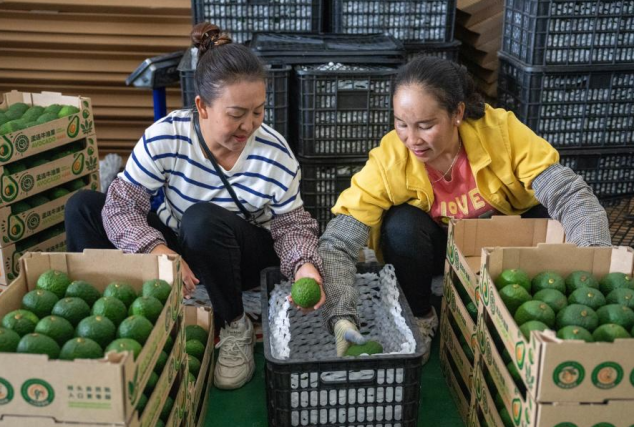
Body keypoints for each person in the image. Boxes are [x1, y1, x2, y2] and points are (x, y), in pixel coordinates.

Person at [65, 23, 324, 389]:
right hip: (182, 242)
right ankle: (103, 317)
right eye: (236, 113)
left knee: (201, 219)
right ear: (201, 106)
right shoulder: (166, 137)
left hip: (241, 255)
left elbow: (291, 226)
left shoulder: (275, 154)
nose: (248, 125)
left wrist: (305, 266)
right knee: (84, 206)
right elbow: (122, 204)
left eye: (258, 111)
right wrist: (155, 248)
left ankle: (234, 325)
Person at [319, 56, 611, 363]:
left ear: (457, 112)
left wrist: (594, 262)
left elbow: (569, 193)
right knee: (401, 226)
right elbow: (340, 240)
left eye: (426, 125)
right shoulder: (391, 159)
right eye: (401, 124)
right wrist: (341, 314)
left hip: (507, 246)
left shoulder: (500, 133)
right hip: (438, 253)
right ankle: (422, 315)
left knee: (551, 214)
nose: (412, 139)